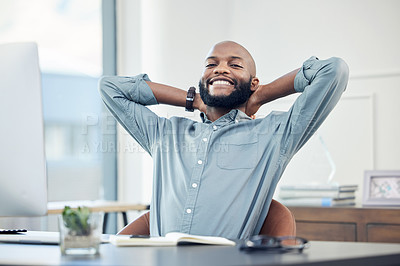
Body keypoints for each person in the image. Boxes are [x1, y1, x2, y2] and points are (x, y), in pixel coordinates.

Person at [99, 41, 349, 239]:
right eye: (211, 65)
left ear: (253, 82)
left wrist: (260, 96)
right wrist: (194, 100)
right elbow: (110, 87)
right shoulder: (166, 134)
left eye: (235, 65)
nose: (220, 69)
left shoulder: (274, 135)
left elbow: (333, 70)